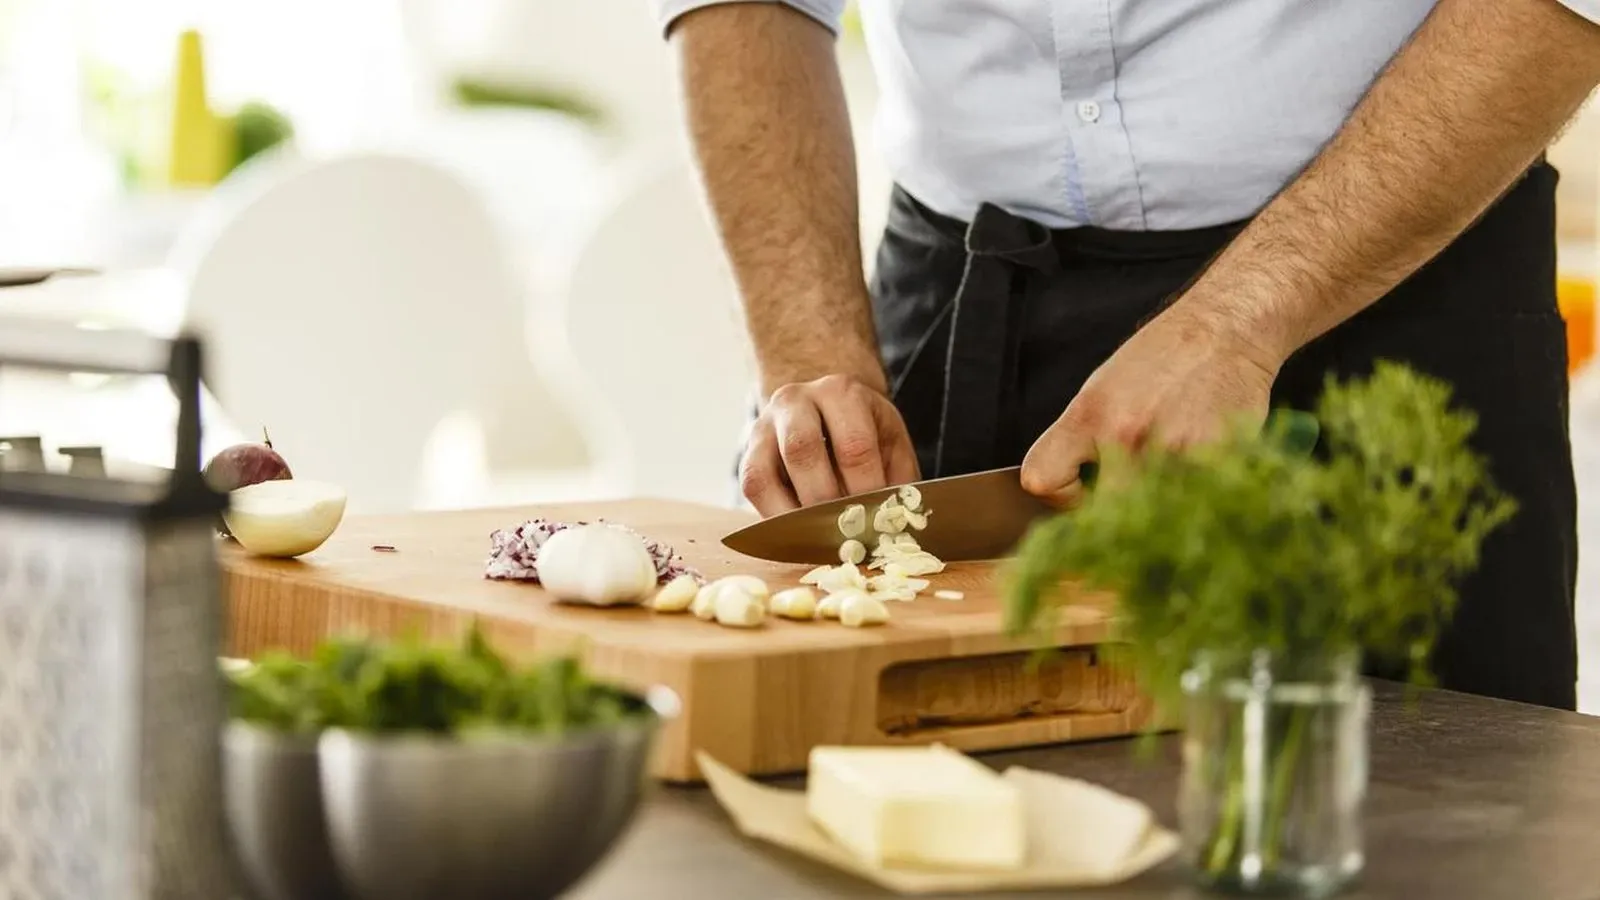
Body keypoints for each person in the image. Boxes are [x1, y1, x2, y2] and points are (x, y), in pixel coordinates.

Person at [653, 0, 1600, 710]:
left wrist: (1238, 323)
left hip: (1395, 277)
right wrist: (808, 346)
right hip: (962, 311)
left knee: (1431, 829)